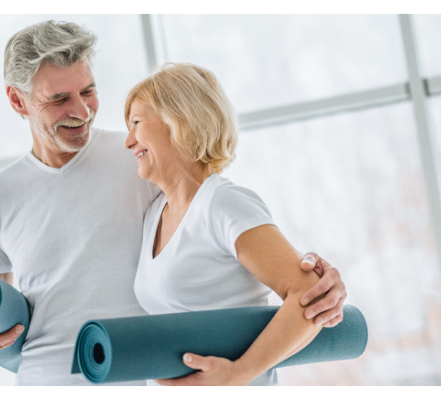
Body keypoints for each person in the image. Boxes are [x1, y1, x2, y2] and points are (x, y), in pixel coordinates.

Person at [0, 20, 347, 386]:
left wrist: (309, 275)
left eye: (88, 91)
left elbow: (220, 220)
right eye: (59, 98)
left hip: (139, 374)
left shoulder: (144, 159)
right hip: (45, 379)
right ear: (17, 101)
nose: (81, 111)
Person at [124, 63, 336, 386]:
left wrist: (237, 375)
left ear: (178, 118)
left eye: (137, 123)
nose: (128, 141)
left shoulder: (222, 203)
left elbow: (310, 295)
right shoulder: (155, 213)